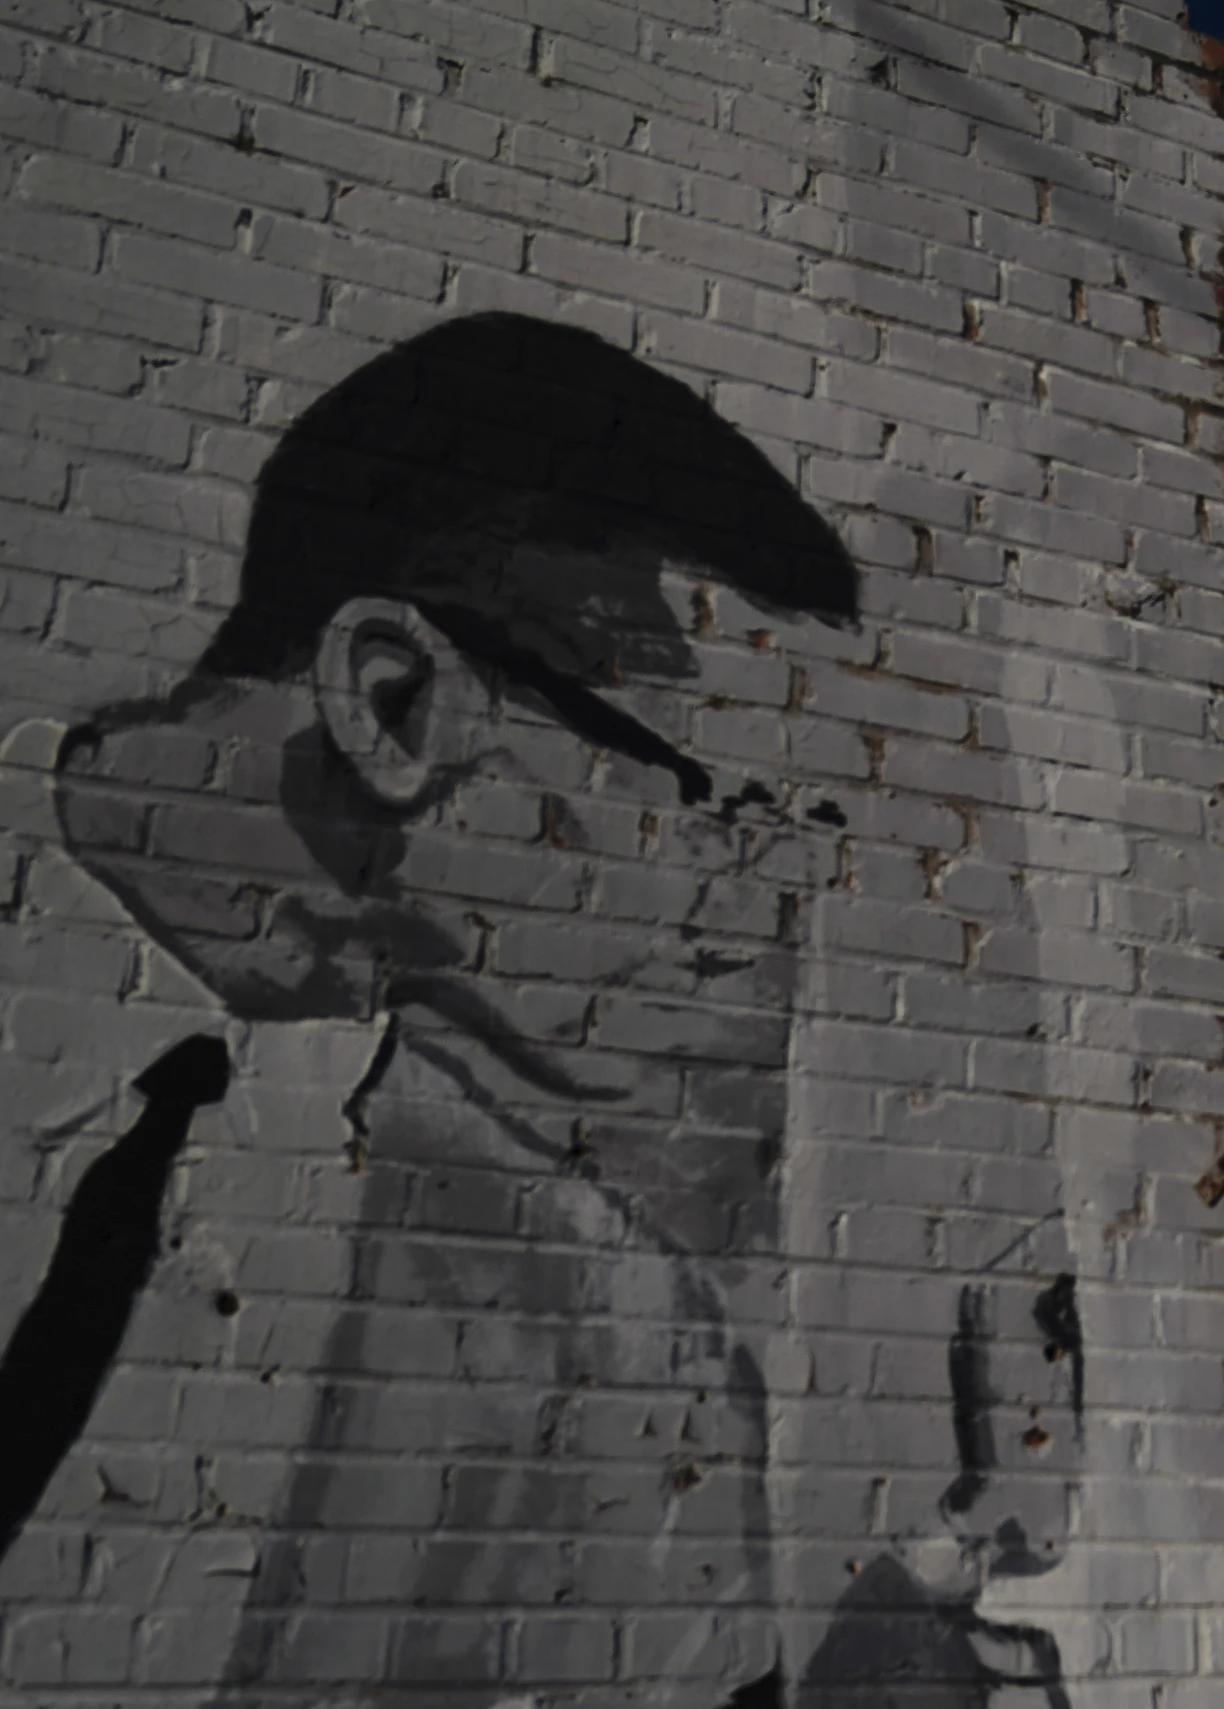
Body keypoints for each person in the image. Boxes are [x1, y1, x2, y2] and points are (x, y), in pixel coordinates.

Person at [0, 312, 1074, 1704]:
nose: (793, 896)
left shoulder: (576, 1204)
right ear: (397, 702)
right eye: (733, 809)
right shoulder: (171, 1207)